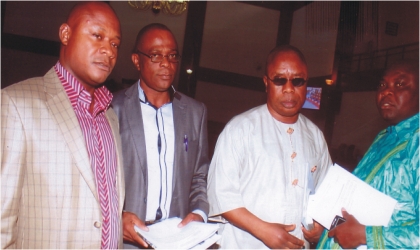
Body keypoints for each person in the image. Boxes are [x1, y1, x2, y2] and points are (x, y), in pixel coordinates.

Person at [1, 2, 125, 248]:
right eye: (98, 36)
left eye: (115, 44)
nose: (109, 51)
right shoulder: (17, 104)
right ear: (66, 34)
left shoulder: (110, 115)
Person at [207, 45, 332, 249]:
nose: (289, 88)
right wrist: (264, 231)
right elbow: (221, 195)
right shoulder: (240, 129)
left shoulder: (315, 135)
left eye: (298, 81)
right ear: (266, 83)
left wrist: (320, 226)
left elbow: (325, 192)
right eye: (280, 80)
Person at [111, 23, 210, 249]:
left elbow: (199, 175)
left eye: (172, 55)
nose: (166, 63)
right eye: (156, 55)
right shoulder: (113, 108)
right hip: (126, 240)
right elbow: (98, 179)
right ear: (137, 60)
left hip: (176, 240)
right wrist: (117, 216)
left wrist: (198, 212)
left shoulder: (196, 112)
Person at [317, 60, 419, 249]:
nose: (386, 92)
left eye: (399, 84)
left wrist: (366, 235)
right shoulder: (384, 137)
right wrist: (326, 228)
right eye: (382, 85)